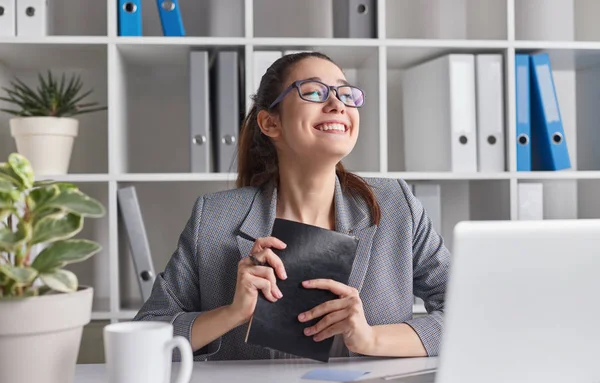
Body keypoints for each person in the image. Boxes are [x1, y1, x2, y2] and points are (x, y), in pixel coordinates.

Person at [133, 51, 451, 361]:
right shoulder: (213, 218)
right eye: (314, 92)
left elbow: (467, 309)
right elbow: (145, 336)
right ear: (271, 124)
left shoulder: (397, 204)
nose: (337, 104)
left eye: (346, 93)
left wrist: (371, 338)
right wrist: (232, 314)